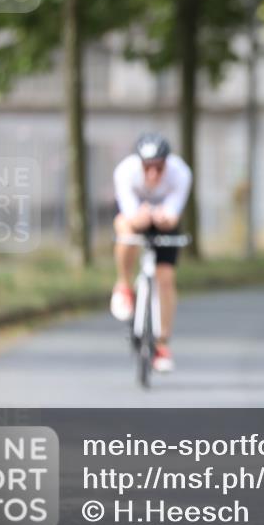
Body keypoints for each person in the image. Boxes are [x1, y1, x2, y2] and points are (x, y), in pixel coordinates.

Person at [110, 133, 192, 372]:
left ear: (167, 163)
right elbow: (129, 213)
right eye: (148, 168)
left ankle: (163, 344)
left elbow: (174, 213)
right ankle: (124, 285)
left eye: (159, 167)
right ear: (139, 164)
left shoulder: (181, 173)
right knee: (124, 229)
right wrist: (140, 218)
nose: (154, 174)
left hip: (164, 220)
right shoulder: (125, 172)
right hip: (135, 215)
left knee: (165, 279)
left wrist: (165, 218)